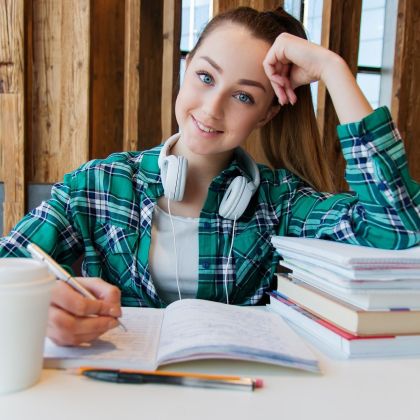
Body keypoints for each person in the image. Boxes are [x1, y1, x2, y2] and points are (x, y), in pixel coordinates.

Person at [0, 7, 419, 346]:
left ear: (268, 112)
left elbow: (395, 225)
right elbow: (7, 266)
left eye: (243, 96)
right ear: (186, 68)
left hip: (243, 397)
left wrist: (332, 69)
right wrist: (38, 304)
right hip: (117, 391)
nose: (212, 109)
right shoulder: (97, 186)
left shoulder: (283, 202)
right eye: (205, 77)